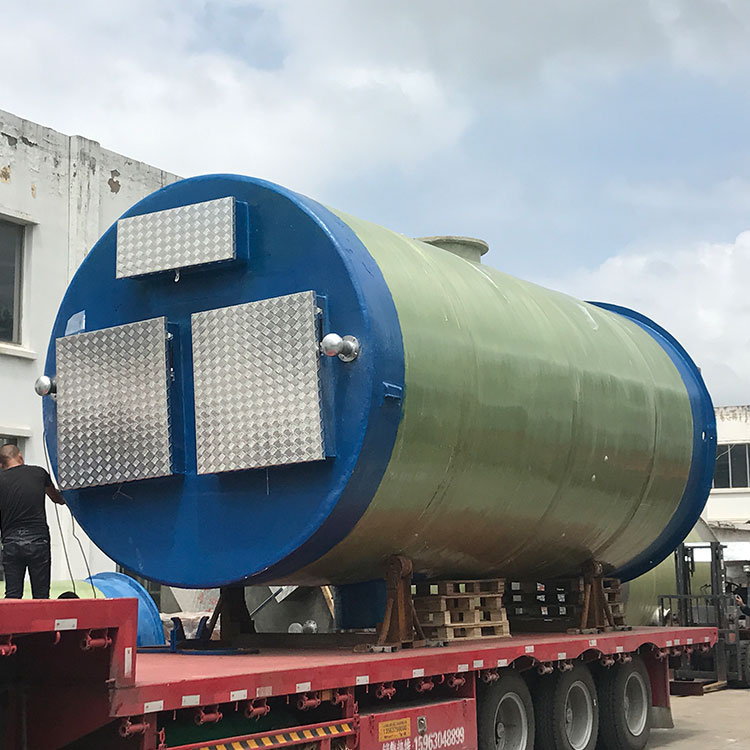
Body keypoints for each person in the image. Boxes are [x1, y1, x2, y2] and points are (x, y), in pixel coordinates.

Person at [0, 444, 64, 599]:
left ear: (1, 465)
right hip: (38, 541)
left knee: (13, 594)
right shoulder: (39, 472)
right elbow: (57, 498)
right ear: (20, 456)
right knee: (41, 595)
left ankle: (12, 616)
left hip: (11, 542)